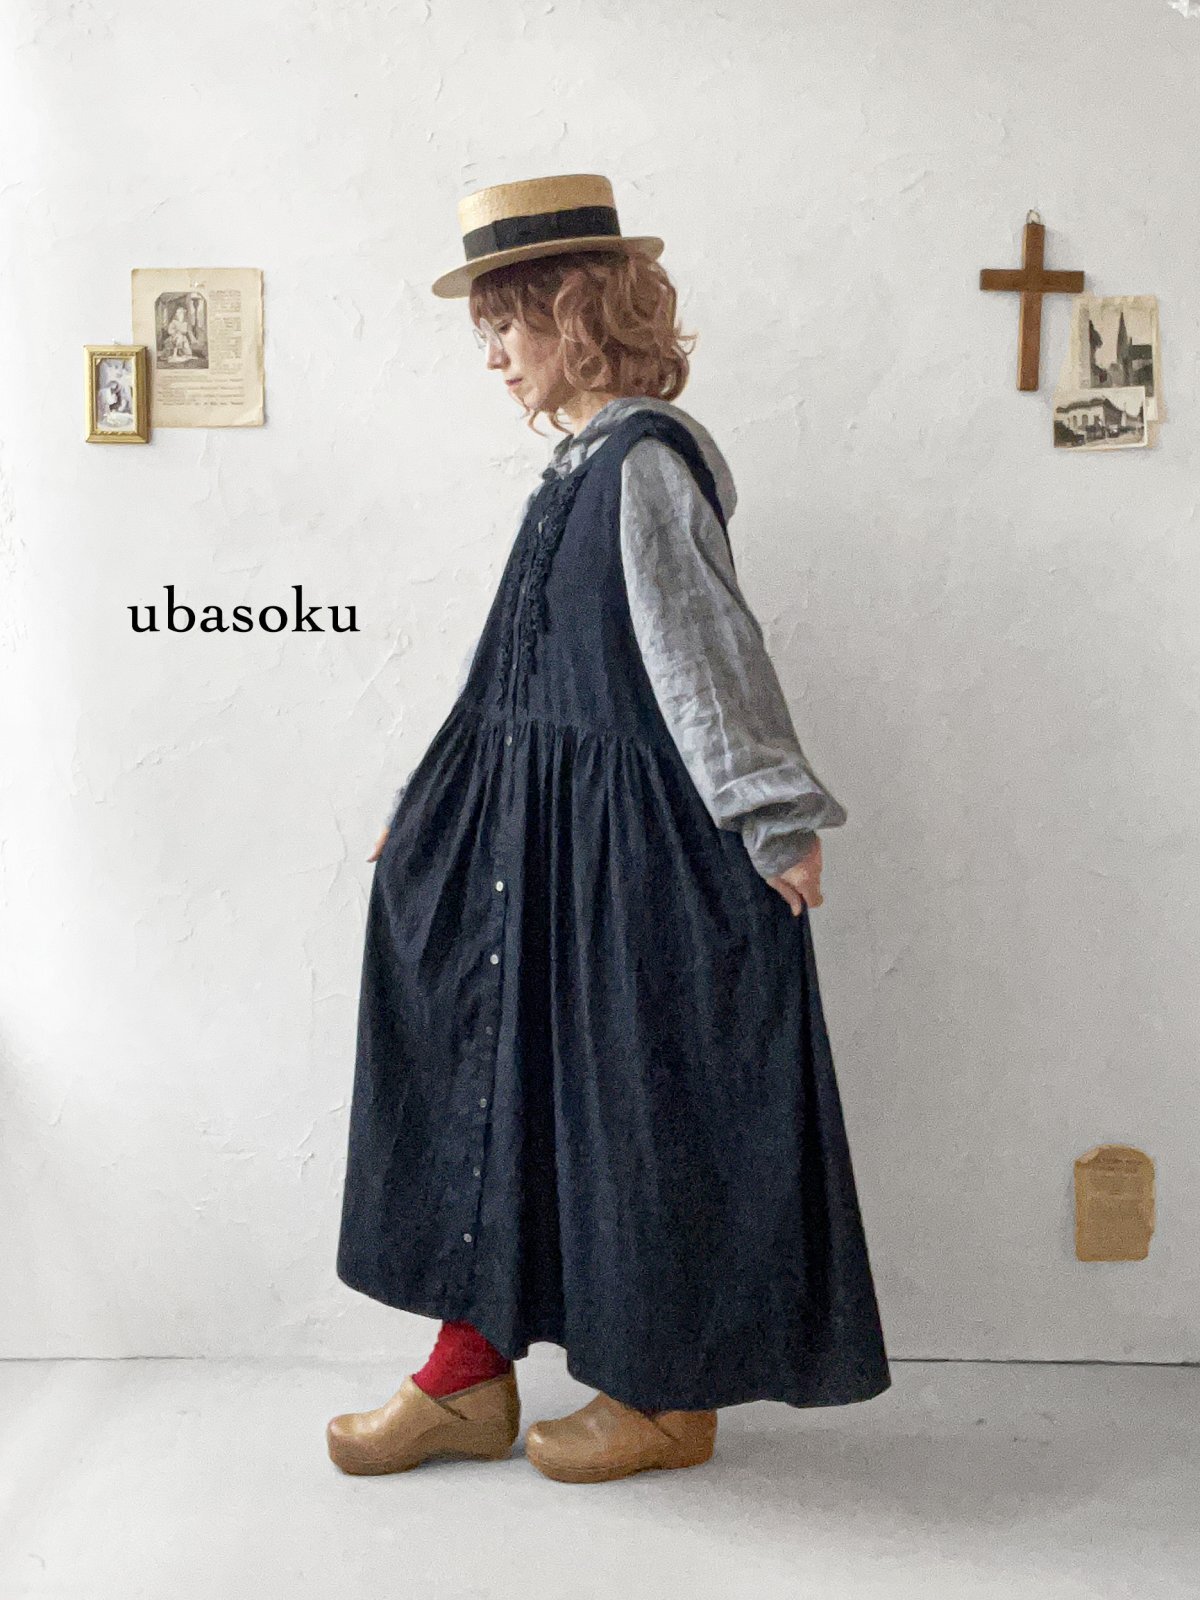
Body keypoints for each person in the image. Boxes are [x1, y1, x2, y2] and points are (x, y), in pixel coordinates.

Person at [328, 173, 890, 1485]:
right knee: (488, 1085)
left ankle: (662, 1398)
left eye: (506, 326)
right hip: (534, 848)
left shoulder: (642, 466)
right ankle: (468, 1379)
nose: (492, 357)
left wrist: (773, 815)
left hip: (629, 859)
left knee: (634, 1110)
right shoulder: (573, 471)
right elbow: (504, 673)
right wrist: (427, 808)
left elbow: (705, 655)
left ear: (573, 313)